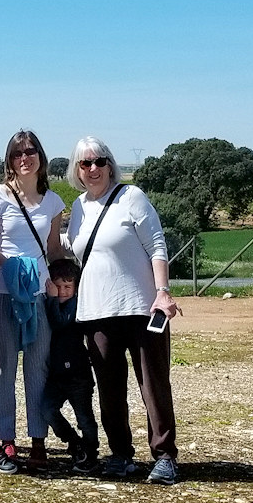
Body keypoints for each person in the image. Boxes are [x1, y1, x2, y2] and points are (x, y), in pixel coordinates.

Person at [64, 136, 180, 484]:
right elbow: (71, 250)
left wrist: (162, 292)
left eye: (100, 161)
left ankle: (165, 456)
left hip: (141, 307)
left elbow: (156, 244)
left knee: (153, 385)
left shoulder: (132, 197)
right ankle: (120, 454)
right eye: (86, 163)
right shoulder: (79, 207)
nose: (94, 168)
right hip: (96, 312)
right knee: (109, 388)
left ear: (110, 164)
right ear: (77, 170)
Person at [0, 129, 65, 474]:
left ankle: (38, 439)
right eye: (17, 154)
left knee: (37, 365)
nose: (24, 158)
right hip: (2, 290)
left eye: (30, 152)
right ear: (10, 161)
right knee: (3, 366)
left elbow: (55, 249)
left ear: (40, 157)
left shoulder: (53, 202)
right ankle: (5, 437)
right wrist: (14, 268)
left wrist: (58, 282)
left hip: (39, 294)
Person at [44, 257, 99, 472]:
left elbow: (59, 323)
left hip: (78, 373)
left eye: (68, 286)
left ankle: (91, 452)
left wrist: (51, 300)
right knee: (47, 410)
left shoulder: (75, 306)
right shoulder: (52, 304)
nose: (62, 291)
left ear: (76, 287)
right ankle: (74, 443)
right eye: (57, 286)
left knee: (85, 417)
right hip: (57, 374)